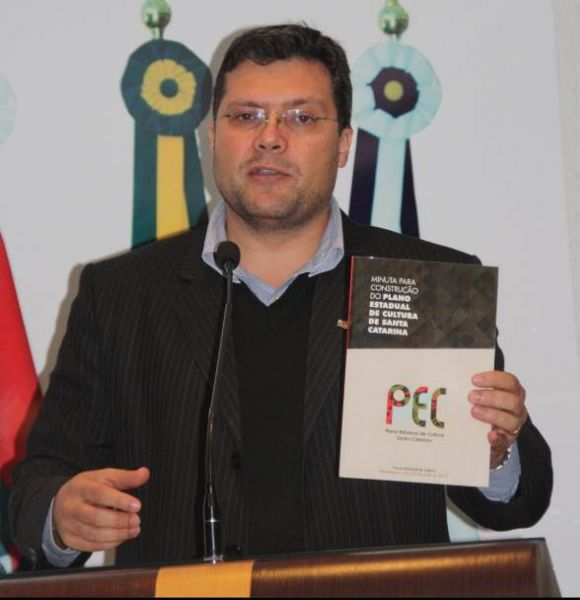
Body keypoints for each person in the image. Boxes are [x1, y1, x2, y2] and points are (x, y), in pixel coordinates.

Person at [10, 24, 552, 569]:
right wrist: (62, 514)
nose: (269, 138)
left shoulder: (429, 283)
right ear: (212, 137)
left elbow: (515, 504)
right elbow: (40, 483)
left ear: (344, 144)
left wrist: (495, 450)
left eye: (301, 118)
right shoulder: (120, 295)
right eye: (245, 116)